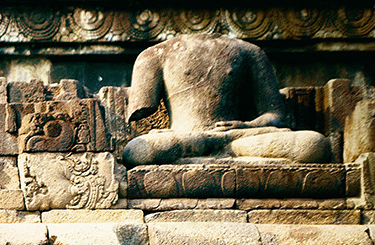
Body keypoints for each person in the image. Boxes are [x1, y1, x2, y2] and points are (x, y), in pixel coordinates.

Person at [121, 35, 331, 166]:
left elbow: (276, 115)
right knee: (139, 150)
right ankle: (224, 154)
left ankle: (212, 153)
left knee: (313, 144)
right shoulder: (155, 54)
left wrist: (246, 126)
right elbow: (141, 110)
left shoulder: (250, 52)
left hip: (237, 137)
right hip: (186, 139)